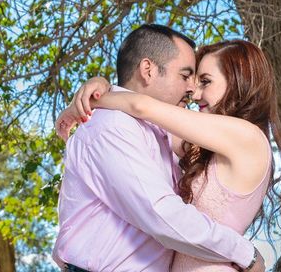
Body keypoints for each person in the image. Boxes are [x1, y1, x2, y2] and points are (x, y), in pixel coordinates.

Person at [53, 25, 266, 272]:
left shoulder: (235, 137)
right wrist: (245, 252)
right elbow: (161, 214)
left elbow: (141, 105)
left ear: (238, 84)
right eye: (186, 76)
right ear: (148, 70)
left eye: (203, 81)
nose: (193, 91)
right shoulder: (114, 126)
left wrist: (97, 94)